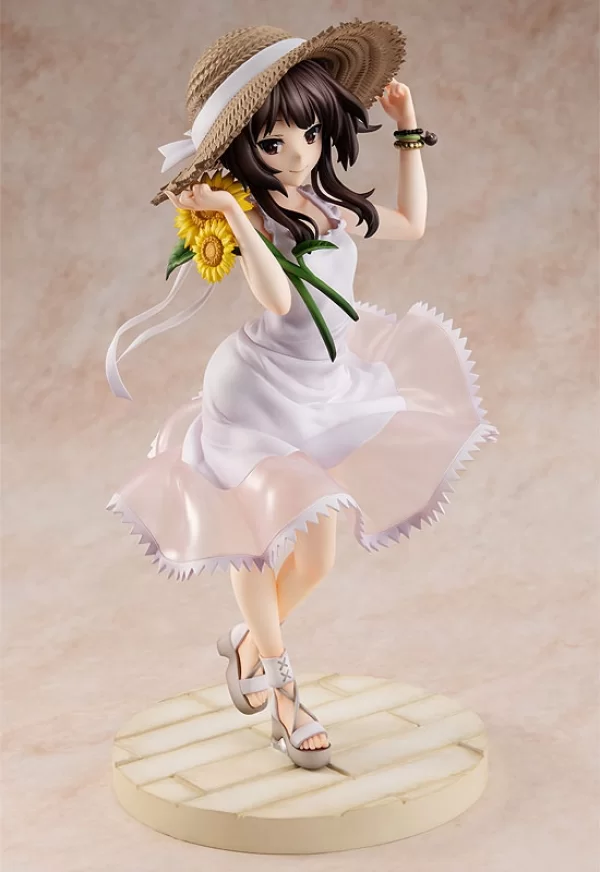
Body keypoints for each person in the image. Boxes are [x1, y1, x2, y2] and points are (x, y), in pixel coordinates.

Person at [106, 22, 497, 770]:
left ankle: (248, 644)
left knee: (316, 558)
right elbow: (280, 300)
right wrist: (233, 216)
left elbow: (412, 225)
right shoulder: (254, 216)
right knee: (257, 541)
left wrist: (409, 130)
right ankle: (284, 694)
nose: (298, 154)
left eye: (311, 135)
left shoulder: (326, 203)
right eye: (274, 143)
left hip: (322, 388)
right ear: (244, 152)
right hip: (255, 395)